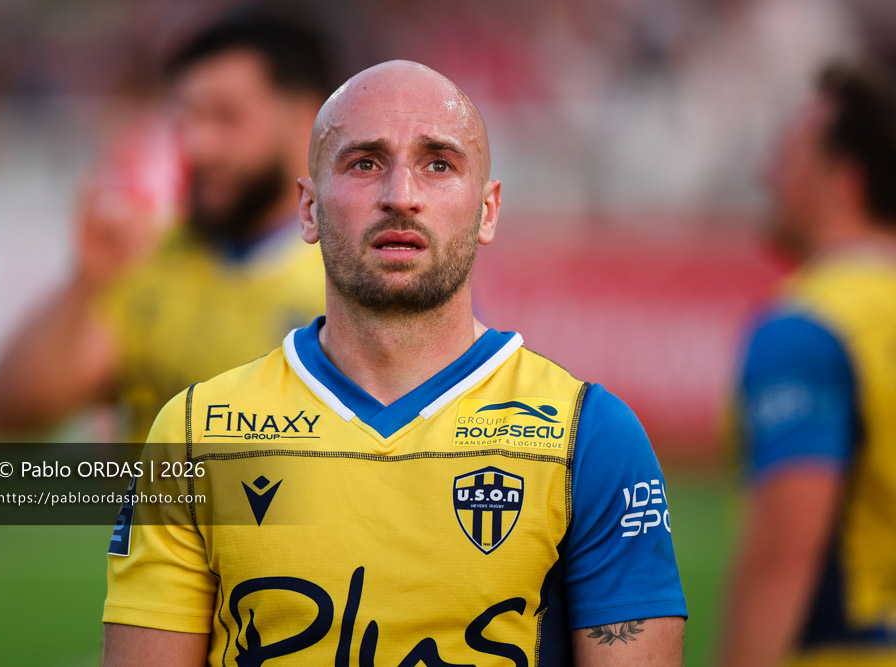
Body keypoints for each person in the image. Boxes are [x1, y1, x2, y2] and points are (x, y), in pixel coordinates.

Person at [102, 60, 687, 666]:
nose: (401, 197)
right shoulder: (194, 434)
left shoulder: (588, 438)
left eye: (438, 164)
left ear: (488, 211)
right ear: (308, 209)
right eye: (365, 163)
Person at [0, 10, 332, 442]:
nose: (197, 144)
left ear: (308, 119)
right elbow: (12, 415)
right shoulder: (145, 256)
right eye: (186, 118)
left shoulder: (354, 272)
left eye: (226, 117)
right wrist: (85, 284)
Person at [721, 61, 896, 666]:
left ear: (842, 180)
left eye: (786, 155)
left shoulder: (809, 328)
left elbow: (783, 560)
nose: (764, 174)